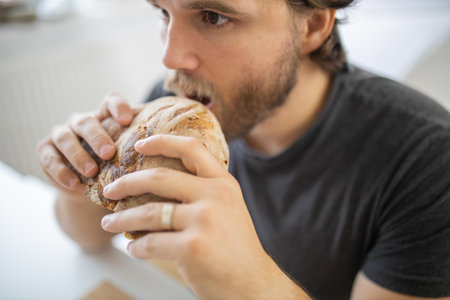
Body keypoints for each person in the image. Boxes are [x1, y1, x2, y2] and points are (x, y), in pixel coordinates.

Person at [36, 0, 450, 299]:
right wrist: (83, 174)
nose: (170, 57)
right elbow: (86, 238)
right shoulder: (174, 106)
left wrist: (250, 282)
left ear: (312, 26)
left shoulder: (429, 162)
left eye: (213, 16)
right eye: (164, 13)